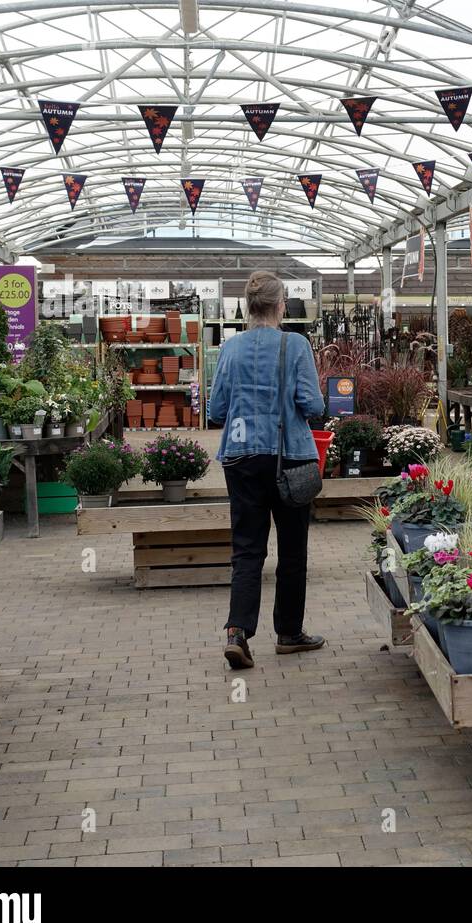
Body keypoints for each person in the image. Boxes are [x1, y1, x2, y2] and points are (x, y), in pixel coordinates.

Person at [207, 271, 326, 669]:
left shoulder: (230, 349)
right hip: (288, 456)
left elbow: (216, 411)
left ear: (246, 307)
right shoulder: (295, 346)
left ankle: (237, 632)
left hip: (240, 457)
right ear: (280, 306)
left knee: (247, 549)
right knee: (292, 551)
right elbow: (313, 406)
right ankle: (289, 633)